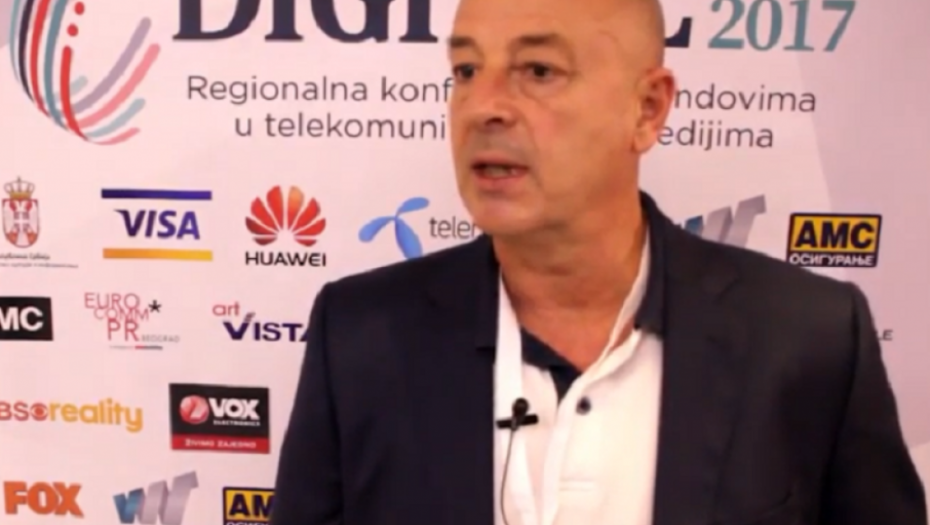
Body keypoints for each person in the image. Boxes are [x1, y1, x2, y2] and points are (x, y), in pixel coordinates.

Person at [270, 0, 926, 522]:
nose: (483, 106)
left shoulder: (810, 335)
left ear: (648, 109)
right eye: (466, 70)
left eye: (538, 71)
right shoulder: (358, 333)